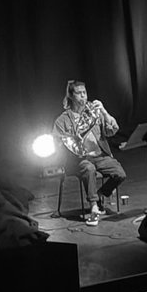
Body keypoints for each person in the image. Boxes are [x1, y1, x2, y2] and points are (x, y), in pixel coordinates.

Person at [53, 80, 126, 225]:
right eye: (79, 93)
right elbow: (57, 143)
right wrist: (72, 138)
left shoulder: (93, 112)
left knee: (120, 174)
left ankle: (100, 194)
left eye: (84, 93)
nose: (83, 96)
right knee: (89, 168)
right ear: (71, 96)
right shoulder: (62, 120)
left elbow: (113, 129)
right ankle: (94, 207)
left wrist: (104, 111)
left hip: (99, 156)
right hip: (78, 160)